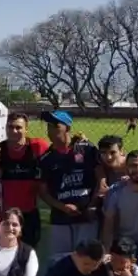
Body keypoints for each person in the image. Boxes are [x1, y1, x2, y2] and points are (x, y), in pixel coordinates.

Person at [37, 110, 100, 260]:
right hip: (60, 219)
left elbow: (101, 178)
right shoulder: (46, 158)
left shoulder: (87, 149)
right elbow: (43, 192)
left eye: (56, 126)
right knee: (59, 260)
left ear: (68, 129)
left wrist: (92, 204)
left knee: (86, 258)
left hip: (87, 216)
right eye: (49, 126)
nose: (51, 130)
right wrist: (62, 207)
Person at [0, 112, 48, 248]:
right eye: (10, 127)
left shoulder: (37, 147)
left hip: (29, 212)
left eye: (18, 127)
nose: (14, 131)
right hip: (5, 213)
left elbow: (59, 152)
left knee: (29, 253)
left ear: (26, 129)